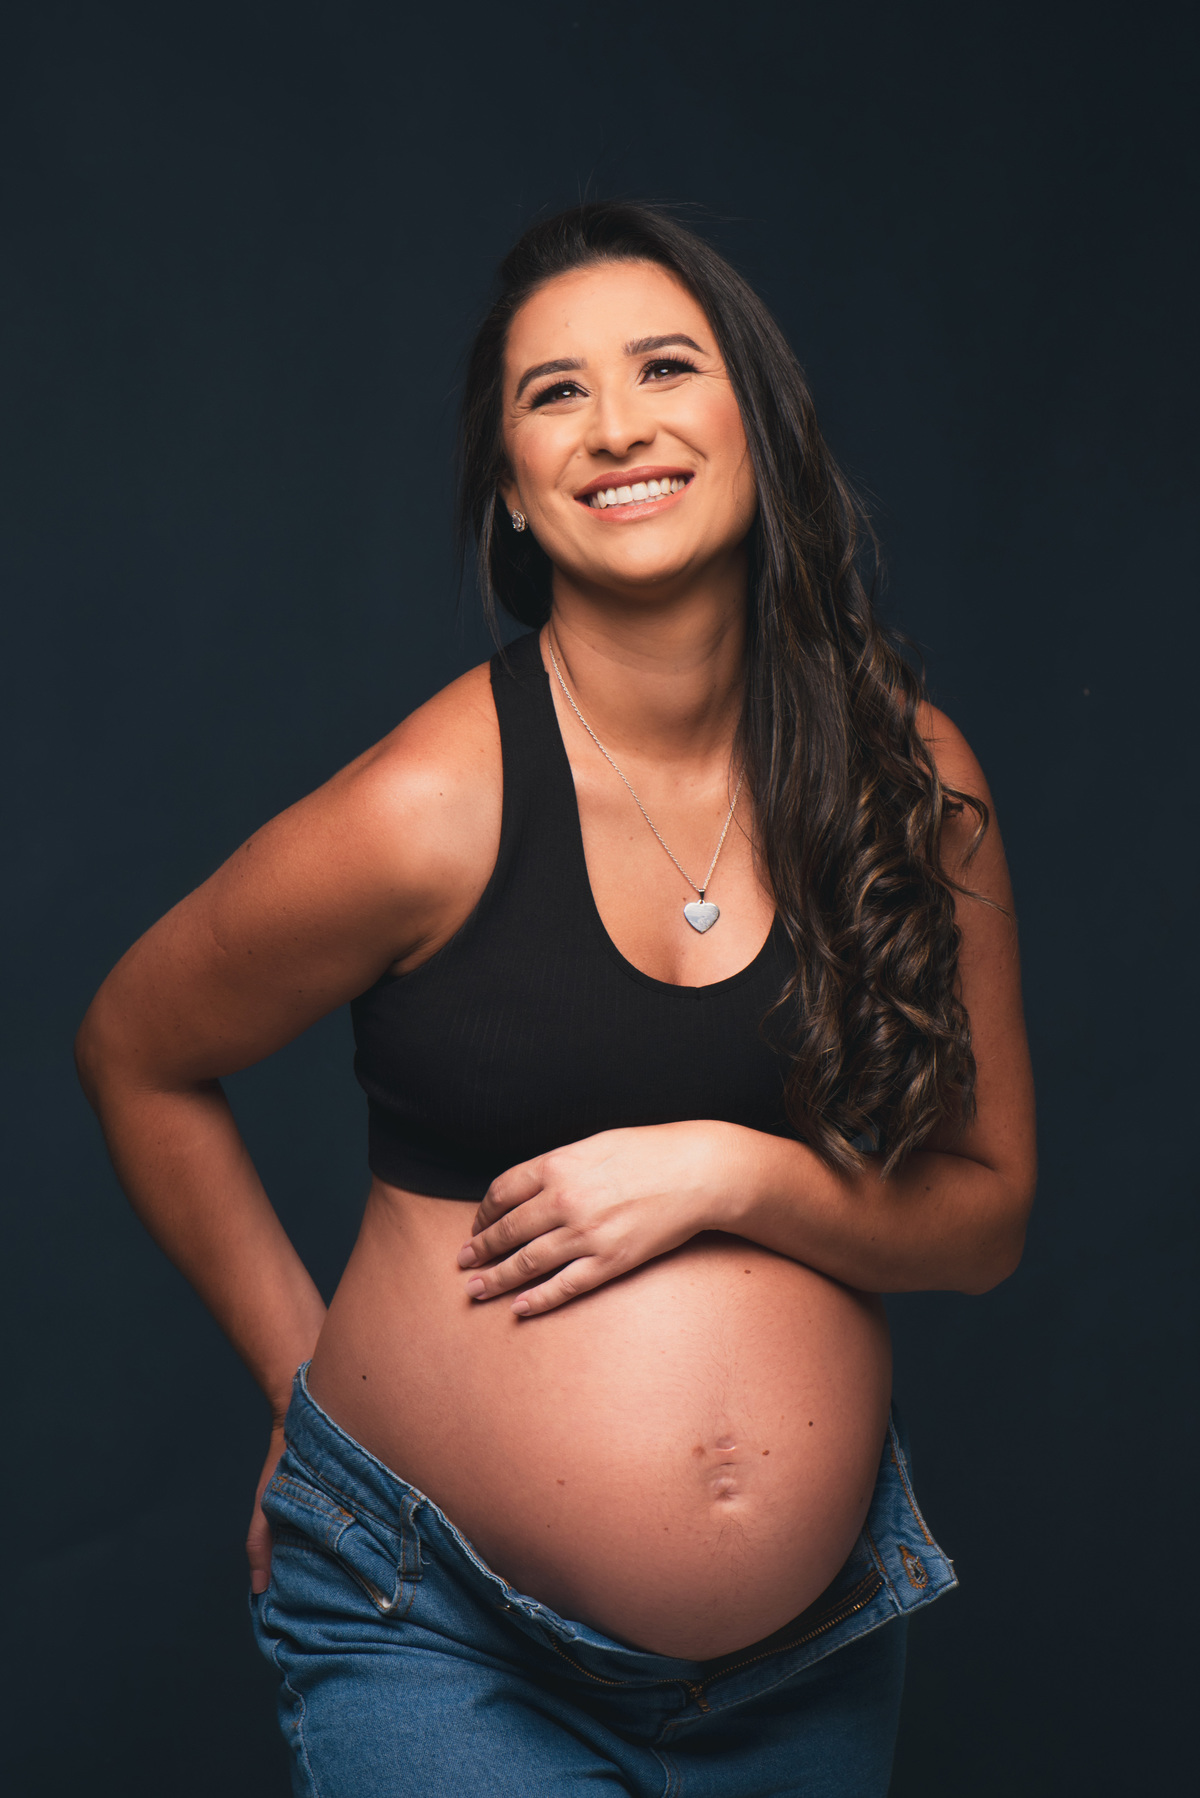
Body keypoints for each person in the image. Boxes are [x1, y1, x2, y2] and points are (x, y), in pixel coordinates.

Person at [76, 202, 1036, 1796]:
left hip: (811, 1665)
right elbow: (136, 1046)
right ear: (514, 492)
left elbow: (988, 1216)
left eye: (664, 367)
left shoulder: (908, 776)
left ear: (757, 424)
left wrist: (736, 1173)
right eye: (555, 393)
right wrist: (303, 1386)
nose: (617, 425)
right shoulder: (430, 805)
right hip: (438, 1633)